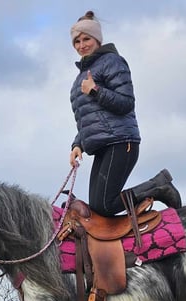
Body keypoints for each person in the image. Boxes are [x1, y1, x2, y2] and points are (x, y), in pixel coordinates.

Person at [69, 10, 177, 216]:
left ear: (97, 39)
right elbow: (88, 117)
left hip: (120, 142)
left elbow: (126, 102)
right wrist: (77, 144)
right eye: (77, 41)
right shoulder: (80, 77)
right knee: (98, 210)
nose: (82, 45)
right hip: (101, 146)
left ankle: (159, 185)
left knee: (105, 205)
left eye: (86, 39)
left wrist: (95, 90)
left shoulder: (112, 62)